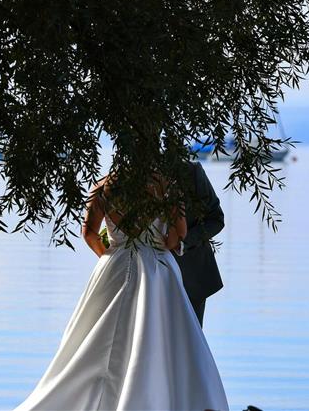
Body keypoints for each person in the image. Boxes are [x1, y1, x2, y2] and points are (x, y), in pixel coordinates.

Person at [12, 173, 229, 411]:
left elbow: (89, 232)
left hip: (115, 263)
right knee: (163, 336)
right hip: (157, 267)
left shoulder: (103, 186)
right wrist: (160, 242)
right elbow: (178, 235)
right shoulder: (167, 185)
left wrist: (110, 257)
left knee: (98, 337)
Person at [171, 161, 225, 328]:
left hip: (191, 277)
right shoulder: (130, 178)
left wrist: (182, 242)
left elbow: (216, 219)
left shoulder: (190, 172)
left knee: (190, 342)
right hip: (144, 278)